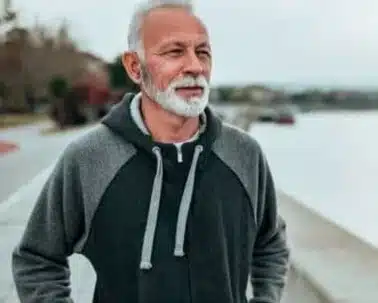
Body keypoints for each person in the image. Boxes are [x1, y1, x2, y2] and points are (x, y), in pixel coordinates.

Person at [12, 1, 290, 302]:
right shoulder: (90, 158)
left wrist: (266, 298)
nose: (195, 66)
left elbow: (271, 242)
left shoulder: (244, 154)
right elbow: (36, 258)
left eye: (203, 52)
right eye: (174, 51)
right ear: (134, 66)